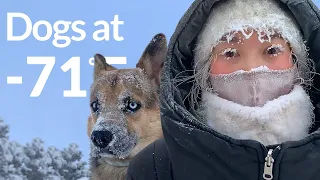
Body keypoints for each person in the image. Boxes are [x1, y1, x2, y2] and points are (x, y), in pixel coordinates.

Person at [126, 0, 320, 179]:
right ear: (204, 68)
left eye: (272, 51)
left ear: (297, 62)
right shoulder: (154, 168)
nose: (251, 69)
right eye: (230, 53)